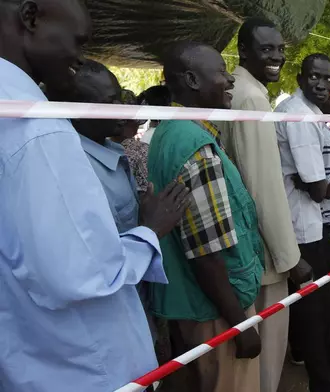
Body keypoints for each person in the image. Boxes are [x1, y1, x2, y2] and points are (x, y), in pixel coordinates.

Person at [0, 1, 190, 390]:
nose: (79, 57)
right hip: (86, 366)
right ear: (31, 18)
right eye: (78, 40)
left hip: (34, 356)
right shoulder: (36, 130)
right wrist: (149, 232)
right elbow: (81, 273)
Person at [147, 42, 264, 392]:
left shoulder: (170, 132)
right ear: (192, 80)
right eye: (221, 72)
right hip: (215, 314)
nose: (230, 79)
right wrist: (239, 327)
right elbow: (207, 253)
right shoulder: (193, 144)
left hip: (193, 307)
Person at [218, 18, 309, 392]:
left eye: (281, 49)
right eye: (267, 49)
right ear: (243, 52)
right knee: (268, 356)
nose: (278, 57)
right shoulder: (251, 97)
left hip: (245, 246)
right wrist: (290, 258)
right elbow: (263, 187)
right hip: (265, 255)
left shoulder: (240, 89)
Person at [275, 53, 330, 391]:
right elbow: (320, 191)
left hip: (313, 222)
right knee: (315, 308)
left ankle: (312, 361)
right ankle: (323, 382)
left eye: (328, 78)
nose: (323, 84)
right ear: (300, 79)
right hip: (306, 226)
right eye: (315, 77)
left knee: (312, 305)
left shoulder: (310, 115)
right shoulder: (299, 118)